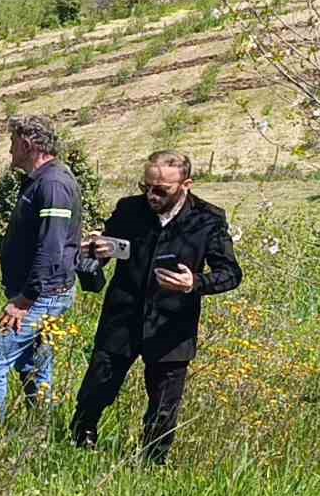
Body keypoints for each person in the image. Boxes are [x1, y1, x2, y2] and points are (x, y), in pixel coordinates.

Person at [71, 151, 242, 463]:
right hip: (122, 318)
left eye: (161, 189)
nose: (151, 194)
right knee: (96, 389)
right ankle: (79, 446)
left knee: (164, 406)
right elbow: (109, 247)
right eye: (146, 186)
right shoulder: (129, 209)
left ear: (186, 185)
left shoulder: (208, 219)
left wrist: (195, 283)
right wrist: (97, 250)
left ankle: (151, 465)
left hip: (171, 327)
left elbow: (231, 274)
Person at [0, 115, 82, 416]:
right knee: (36, 364)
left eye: (12, 144)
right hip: (42, 293)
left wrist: (24, 301)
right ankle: (38, 433)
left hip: (41, 296)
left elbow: (51, 247)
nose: (10, 152)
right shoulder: (45, 181)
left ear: (26, 143)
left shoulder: (53, 184)